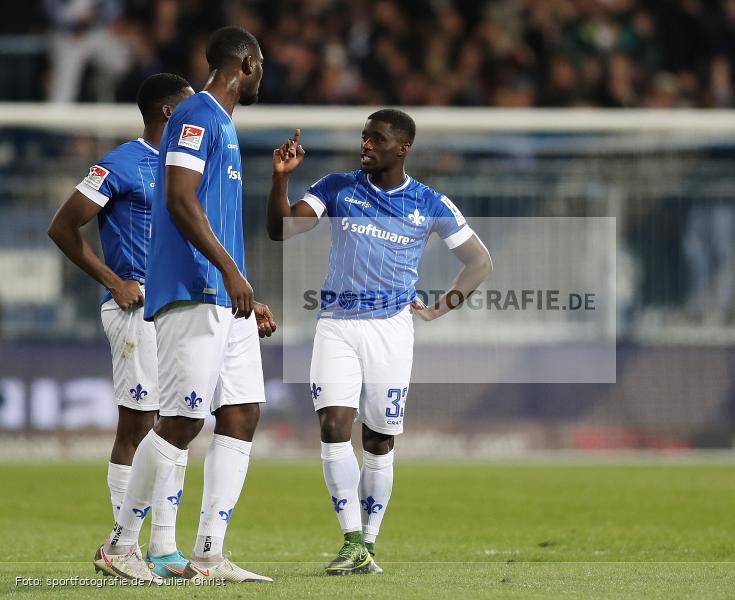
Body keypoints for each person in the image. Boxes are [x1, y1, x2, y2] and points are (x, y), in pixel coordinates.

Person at [267, 110, 493, 575]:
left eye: (376, 138)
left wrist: (439, 306)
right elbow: (282, 228)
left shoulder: (430, 202)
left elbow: (479, 262)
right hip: (336, 324)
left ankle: (369, 543)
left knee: (378, 440)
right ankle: (351, 538)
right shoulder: (337, 186)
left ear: (402, 148)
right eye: (364, 137)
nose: (365, 145)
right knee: (333, 425)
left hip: (392, 330)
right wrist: (279, 180)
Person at [93, 26, 276, 583]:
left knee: (242, 411)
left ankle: (209, 552)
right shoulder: (196, 115)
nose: (263, 72)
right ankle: (121, 546)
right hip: (193, 289)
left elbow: (214, 215)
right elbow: (178, 199)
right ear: (245, 63)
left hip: (225, 294)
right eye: (261, 63)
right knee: (180, 420)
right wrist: (226, 270)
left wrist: (241, 282)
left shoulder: (221, 123)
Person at [48, 73, 194, 578]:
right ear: (168, 114)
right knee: (139, 423)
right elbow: (62, 225)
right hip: (136, 307)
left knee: (177, 423)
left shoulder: (185, 168)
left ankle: (160, 546)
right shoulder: (119, 164)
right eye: (190, 110)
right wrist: (113, 280)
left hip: (179, 308)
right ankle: (122, 544)